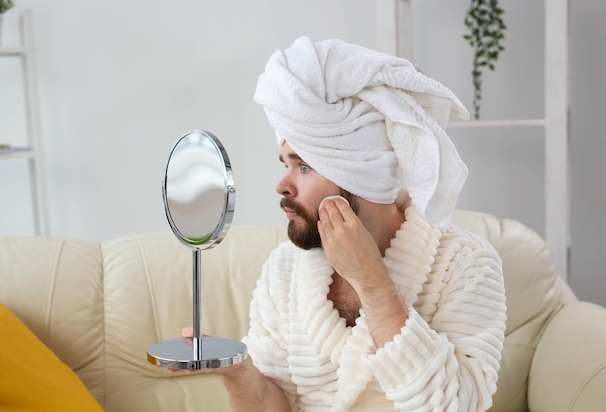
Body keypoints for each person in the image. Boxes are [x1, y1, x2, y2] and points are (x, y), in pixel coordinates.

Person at [181, 36, 507, 412]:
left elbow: (456, 406)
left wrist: (373, 282)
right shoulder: (284, 271)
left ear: (358, 172)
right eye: (285, 164)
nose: (283, 185)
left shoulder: (464, 264)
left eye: (303, 165)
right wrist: (239, 373)